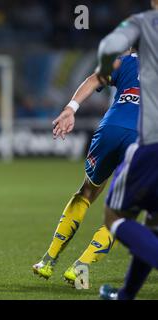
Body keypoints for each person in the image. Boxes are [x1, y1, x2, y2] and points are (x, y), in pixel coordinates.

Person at [32, 49, 140, 288]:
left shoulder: (128, 59)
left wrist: (70, 109)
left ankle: (47, 260)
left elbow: (93, 79)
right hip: (142, 138)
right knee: (123, 212)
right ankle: (80, 266)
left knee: (87, 192)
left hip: (110, 129)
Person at [95, 0, 158, 300]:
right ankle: (125, 296)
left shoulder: (144, 22)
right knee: (154, 224)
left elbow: (109, 45)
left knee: (115, 216)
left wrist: (107, 70)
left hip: (152, 144)